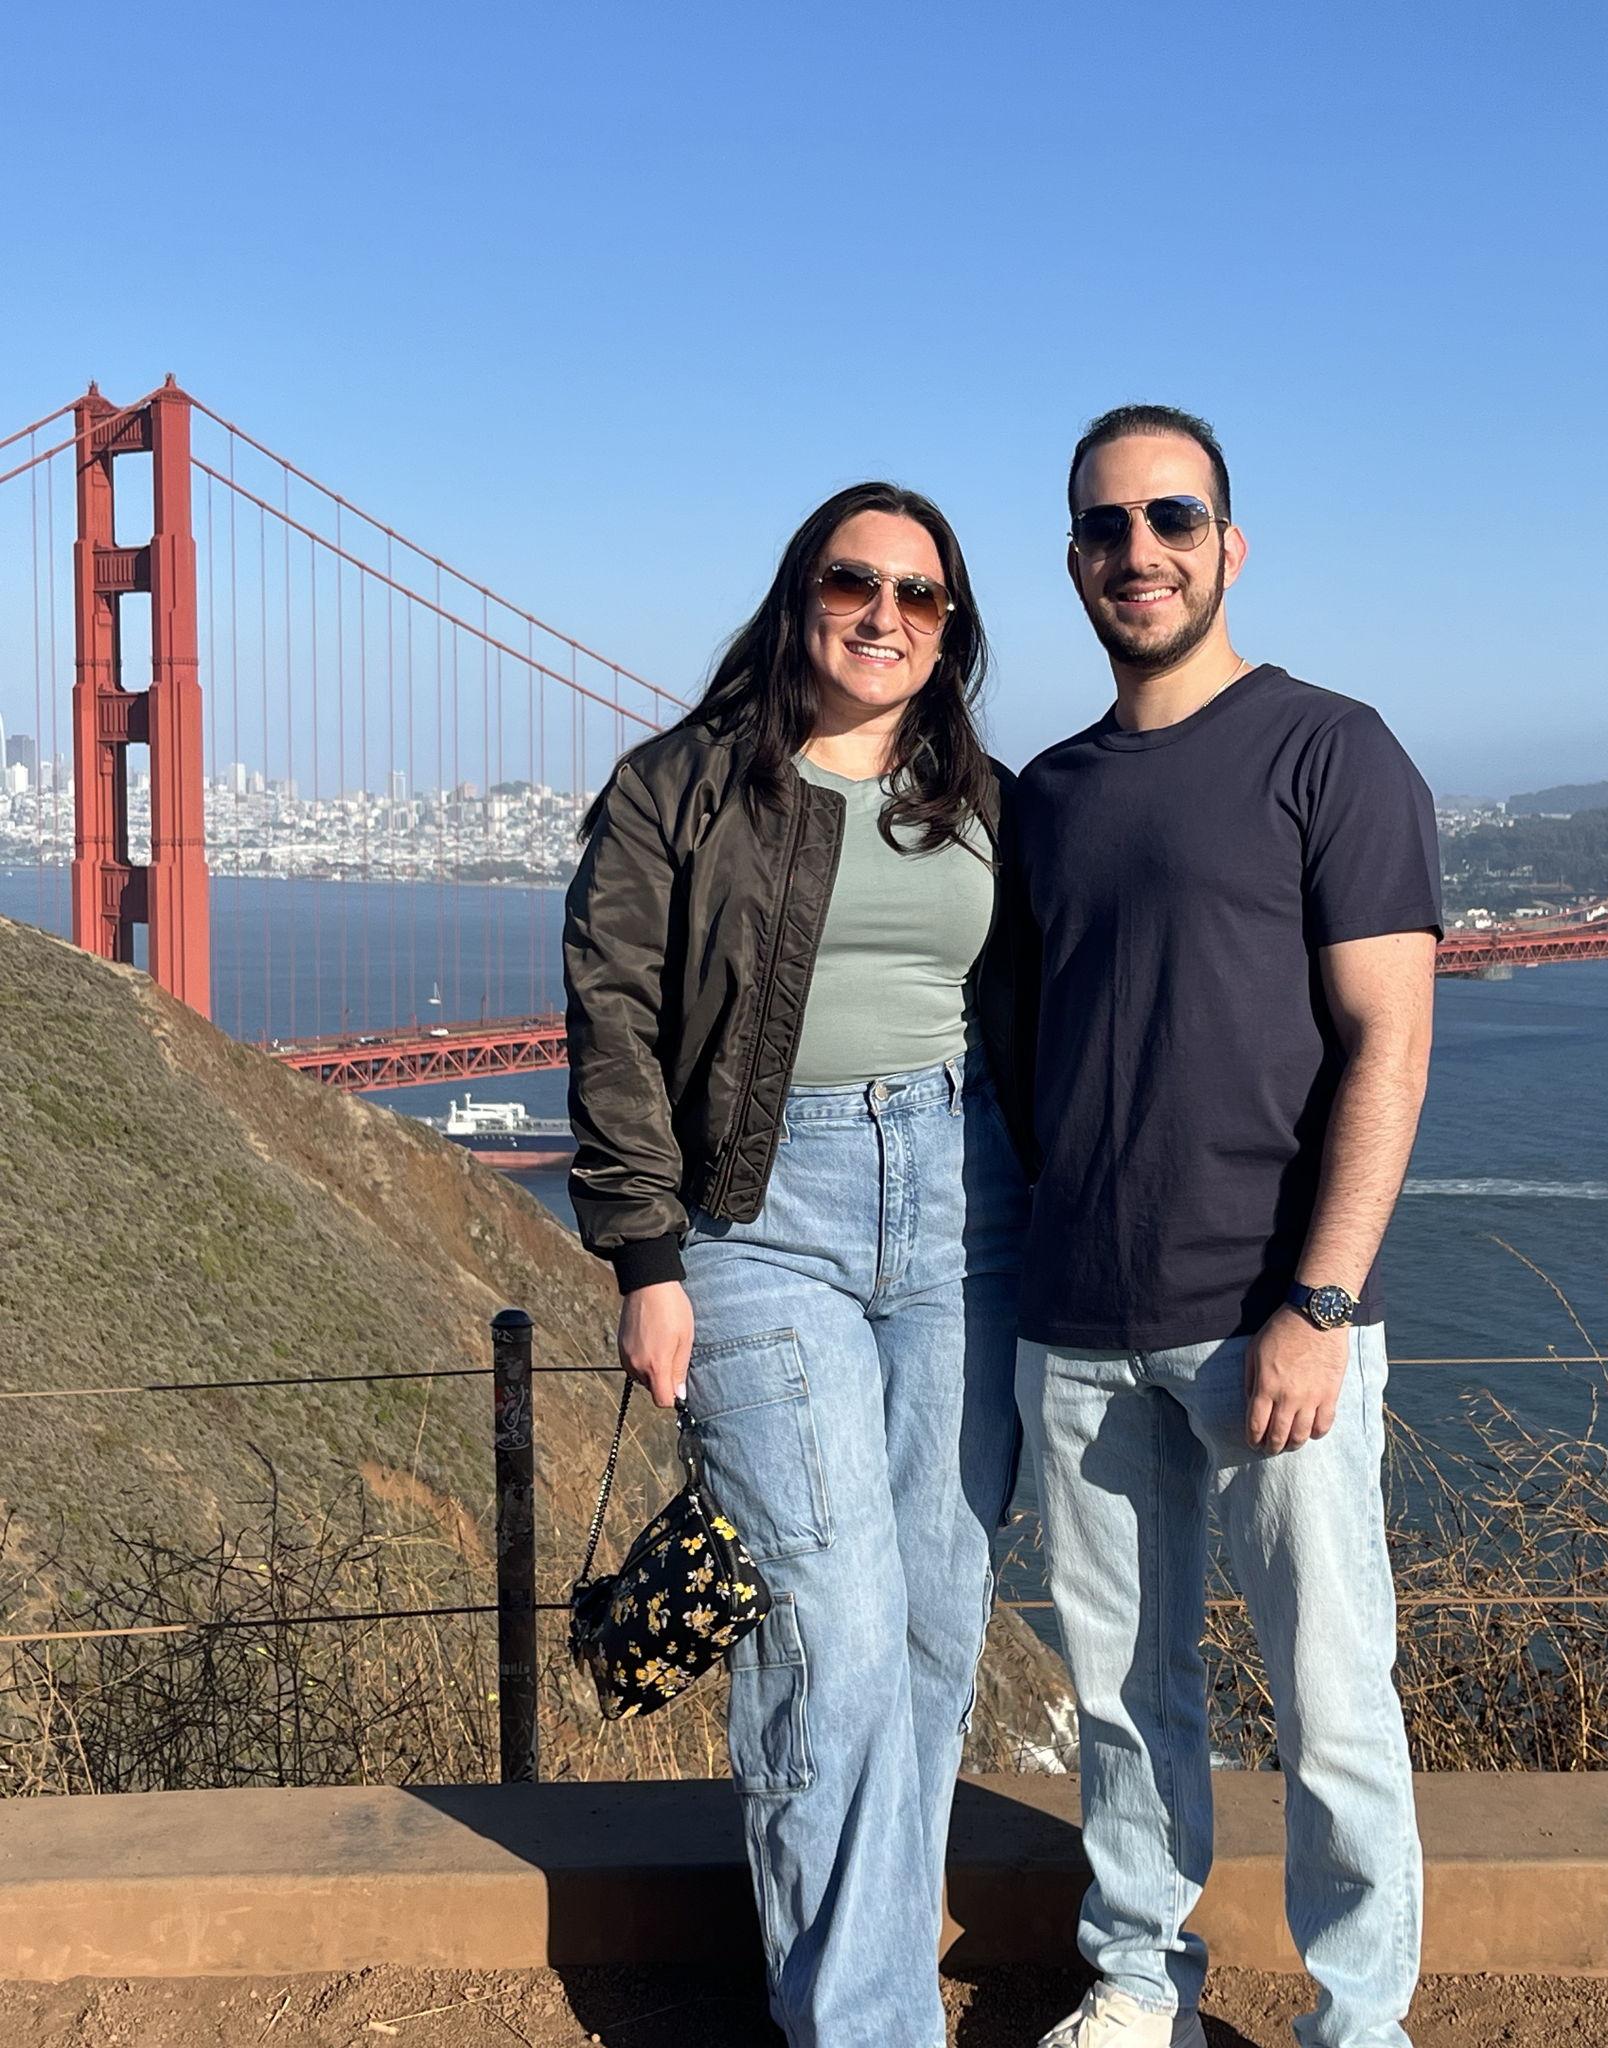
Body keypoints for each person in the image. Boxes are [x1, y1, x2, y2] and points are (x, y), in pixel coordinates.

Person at [562, 482, 1034, 2048]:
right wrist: (645, 1251)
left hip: (971, 1207)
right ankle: (865, 2028)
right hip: (764, 1217)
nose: (885, 613)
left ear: (951, 626)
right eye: (855, 580)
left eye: (923, 593)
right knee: (828, 1621)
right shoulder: (679, 789)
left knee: (933, 1617)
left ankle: (858, 1985)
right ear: (799, 593)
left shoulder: (987, 795)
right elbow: (615, 1017)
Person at [1014, 407, 1442, 2048]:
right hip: (1077, 1325)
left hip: (1274, 1323)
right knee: (1125, 1705)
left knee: (1333, 1702)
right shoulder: (1046, 796)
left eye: (1169, 519)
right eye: (1106, 529)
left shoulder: (1333, 749)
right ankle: (1142, 1987)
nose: (1139, 552)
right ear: (1075, 561)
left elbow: (1389, 1040)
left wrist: (1318, 1305)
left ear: (1227, 544)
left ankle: (1359, 2017)